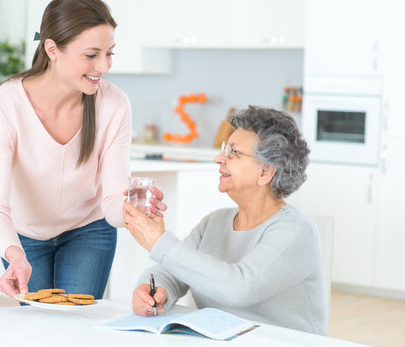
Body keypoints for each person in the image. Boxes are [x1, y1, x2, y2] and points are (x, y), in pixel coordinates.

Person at [0, 0, 162, 300]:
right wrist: (14, 255)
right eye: (92, 55)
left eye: (109, 53)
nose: (104, 66)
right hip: (25, 236)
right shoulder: (7, 103)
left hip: (88, 230)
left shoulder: (114, 104)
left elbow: (113, 205)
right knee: (40, 328)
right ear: (52, 49)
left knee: (76, 324)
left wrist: (134, 210)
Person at [123, 105, 327, 335]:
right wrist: (156, 291)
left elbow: (240, 287)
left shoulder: (296, 231)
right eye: (223, 149)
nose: (219, 158)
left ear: (265, 173)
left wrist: (159, 242)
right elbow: (171, 271)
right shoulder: (214, 223)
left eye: (234, 152)